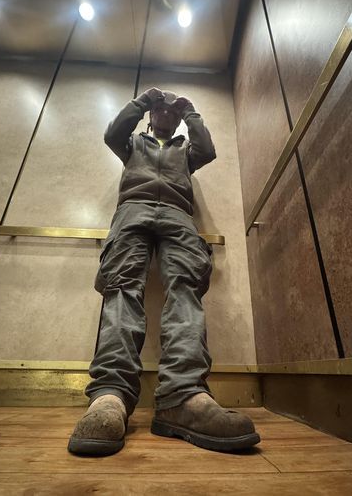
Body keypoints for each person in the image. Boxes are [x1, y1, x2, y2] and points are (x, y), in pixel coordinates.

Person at [68, 88, 260, 456]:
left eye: (171, 112)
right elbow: (112, 134)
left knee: (186, 289)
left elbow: (207, 150)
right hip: (133, 209)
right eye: (159, 109)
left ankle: (183, 397)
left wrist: (191, 112)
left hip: (177, 214)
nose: (165, 113)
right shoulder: (133, 144)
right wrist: (141, 101)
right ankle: (110, 395)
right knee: (122, 287)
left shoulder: (185, 150)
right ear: (150, 115)